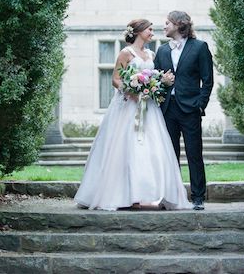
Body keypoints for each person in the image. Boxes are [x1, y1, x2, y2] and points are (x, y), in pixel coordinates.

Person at [74, 19, 193, 211]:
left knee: (150, 150)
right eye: (149, 29)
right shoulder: (125, 53)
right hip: (128, 107)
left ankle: (148, 194)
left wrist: (160, 82)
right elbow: (115, 79)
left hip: (149, 108)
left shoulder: (151, 53)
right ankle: (125, 196)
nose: (153, 33)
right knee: (125, 149)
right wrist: (131, 91)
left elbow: (153, 77)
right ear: (138, 32)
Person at [153, 11, 214, 210]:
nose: (164, 27)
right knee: (170, 155)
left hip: (190, 109)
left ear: (179, 25)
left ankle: (198, 197)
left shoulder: (199, 47)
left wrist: (200, 104)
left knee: (194, 154)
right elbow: (155, 80)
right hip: (168, 110)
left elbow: (208, 80)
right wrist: (161, 84)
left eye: (167, 23)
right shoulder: (162, 51)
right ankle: (173, 196)